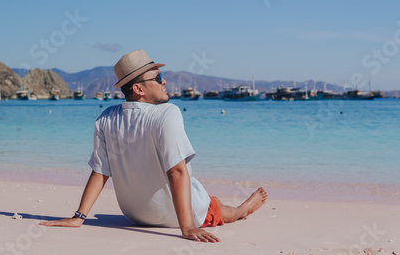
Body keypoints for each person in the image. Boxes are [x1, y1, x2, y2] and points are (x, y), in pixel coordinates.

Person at [40, 49, 267, 242]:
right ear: (139, 89)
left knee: (206, 196)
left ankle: (215, 203)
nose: (164, 81)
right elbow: (176, 172)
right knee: (216, 207)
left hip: (135, 215)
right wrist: (186, 228)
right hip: (172, 216)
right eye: (158, 78)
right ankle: (242, 210)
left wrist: (79, 217)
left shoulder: (106, 117)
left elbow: (100, 171)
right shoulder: (167, 113)